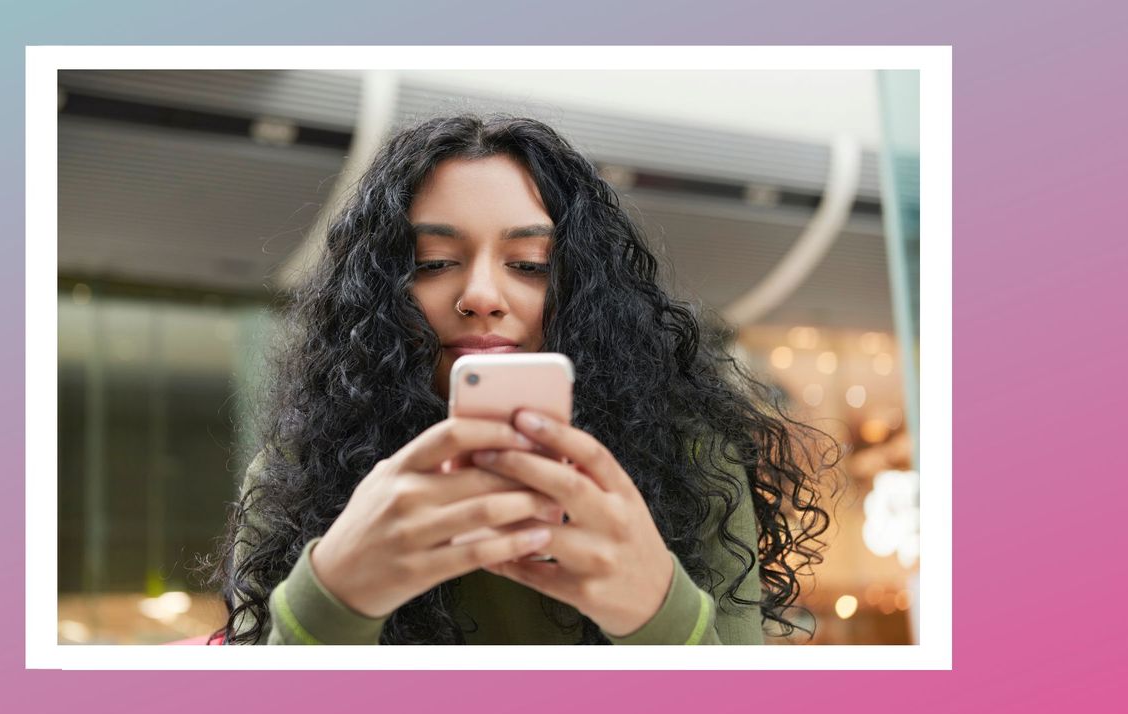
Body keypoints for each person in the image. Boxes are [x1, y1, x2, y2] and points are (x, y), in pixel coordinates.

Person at [208, 114, 836, 645]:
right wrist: (331, 599)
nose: (481, 295)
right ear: (380, 289)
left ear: (583, 291)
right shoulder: (299, 469)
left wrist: (657, 611)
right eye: (434, 262)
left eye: (529, 264)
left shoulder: (691, 457)